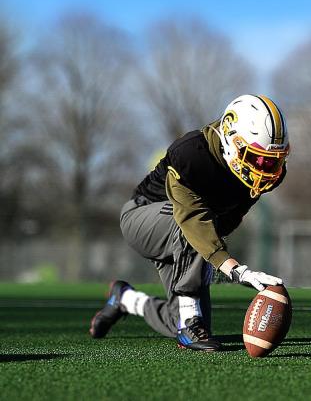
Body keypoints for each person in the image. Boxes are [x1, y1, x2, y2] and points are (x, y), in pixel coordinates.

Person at [89, 94, 290, 351]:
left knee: (182, 322)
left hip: (183, 236)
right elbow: (192, 217)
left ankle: (125, 299)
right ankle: (189, 317)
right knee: (190, 314)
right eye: (258, 159)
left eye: (273, 160)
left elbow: (223, 222)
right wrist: (234, 269)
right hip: (142, 218)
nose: (266, 168)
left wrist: (206, 259)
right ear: (231, 139)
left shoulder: (264, 173)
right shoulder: (192, 154)